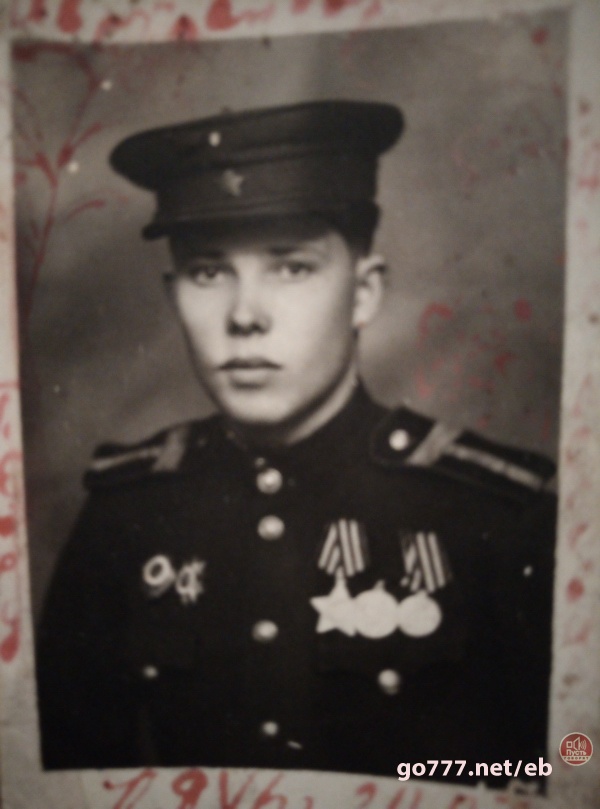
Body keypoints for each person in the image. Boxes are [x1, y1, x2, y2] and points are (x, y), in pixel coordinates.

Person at [36, 101, 556, 783]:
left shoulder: (496, 514)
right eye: (208, 272)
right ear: (172, 295)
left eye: (292, 267)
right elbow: (63, 780)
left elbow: (575, 761)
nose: (245, 315)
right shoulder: (125, 511)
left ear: (364, 293)